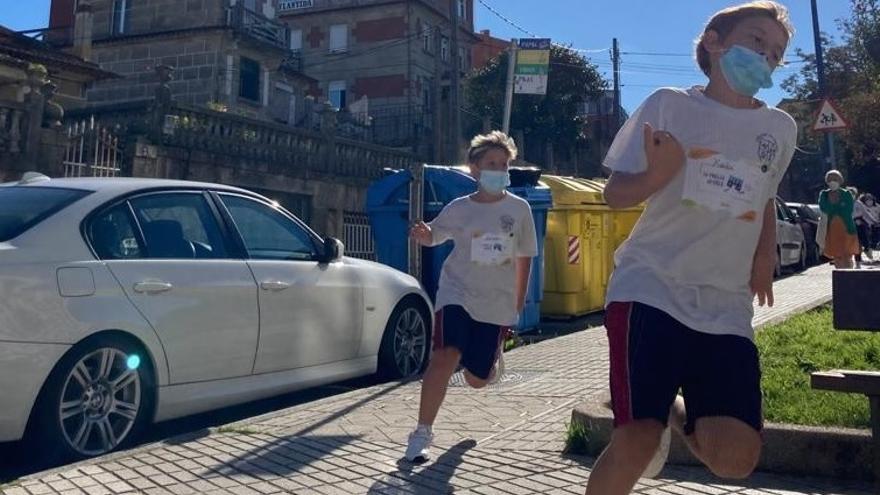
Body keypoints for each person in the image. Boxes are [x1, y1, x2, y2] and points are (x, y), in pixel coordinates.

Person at [584, 3, 797, 494]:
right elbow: (615, 195)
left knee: (736, 459)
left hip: (724, 304)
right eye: (756, 40)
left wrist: (764, 257)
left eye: (776, 52)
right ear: (714, 43)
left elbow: (765, 196)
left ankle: (672, 415)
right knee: (634, 440)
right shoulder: (669, 106)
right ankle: (650, 421)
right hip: (651, 286)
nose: (765, 55)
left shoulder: (780, 130)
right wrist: (659, 174)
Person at [404, 131, 538, 463]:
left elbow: (525, 258)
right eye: (491, 163)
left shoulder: (519, 209)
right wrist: (425, 234)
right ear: (474, 169)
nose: (498, 169)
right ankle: (421, 433)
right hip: (456, 292)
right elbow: (436, 233)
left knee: (477, 381)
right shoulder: (459, 208)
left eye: (503, 164)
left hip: (496, 302)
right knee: (444, 357)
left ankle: (488, 366)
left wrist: (517, 306)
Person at [819, 171, 859, 269]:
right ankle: (840, 274)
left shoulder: (846, 194)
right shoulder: (824, 194)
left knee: (847, 254)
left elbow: (848, 209)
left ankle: (849, 274)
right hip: (832, 229)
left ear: (840, 181)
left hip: (846, 227)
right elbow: (824, 207)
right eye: (830, 180)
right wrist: (837, 207)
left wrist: (834, 208)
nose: (832, 182)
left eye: (835, 179)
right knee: (837, 255)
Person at [854, 192, 878, 262]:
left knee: (862, 239)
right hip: (850, 223)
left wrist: (874, 221)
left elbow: (866, 214)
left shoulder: (858, 203)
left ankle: (866, 249)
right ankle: (858, 259)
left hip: (861, 223)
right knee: (856, 243)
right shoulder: (844, 203)